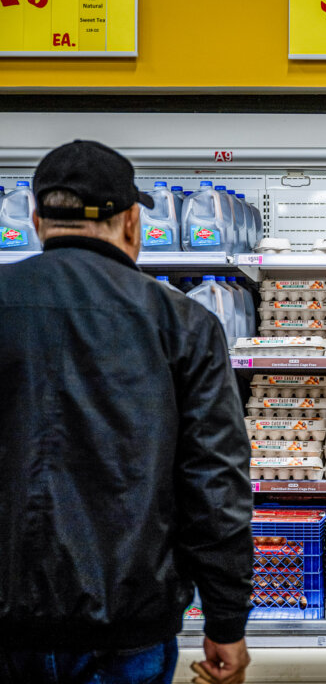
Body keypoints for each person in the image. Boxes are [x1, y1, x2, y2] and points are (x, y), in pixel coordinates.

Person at [0, 141, 253, 684]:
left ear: (37, 218)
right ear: (133, 223)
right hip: (126, 621)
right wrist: (226, 620)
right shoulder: (181, 322)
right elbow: (214, 483)